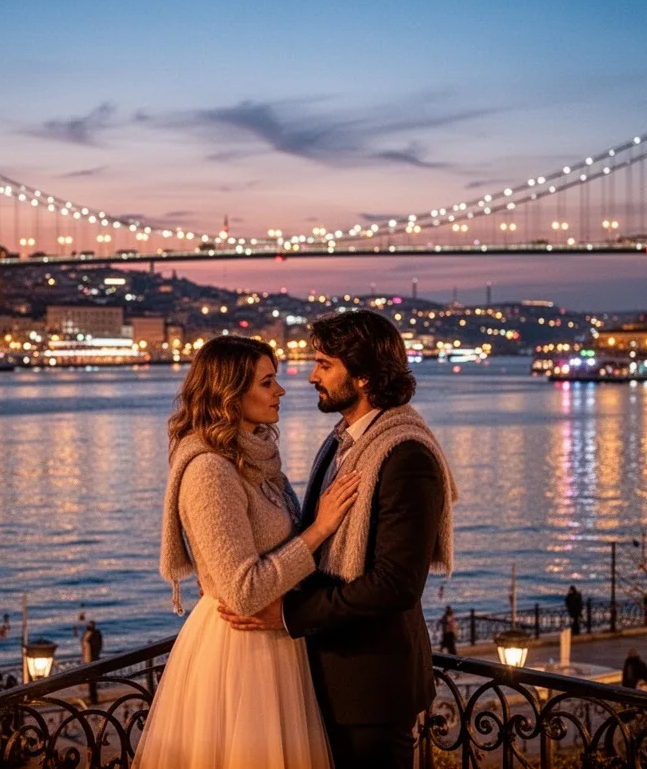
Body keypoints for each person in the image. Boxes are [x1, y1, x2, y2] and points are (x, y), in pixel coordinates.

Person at [217, 310, 458, 768]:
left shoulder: (406, 454)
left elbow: (397, 585)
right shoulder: (341, 441)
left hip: (369, 687)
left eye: (325, 364)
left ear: (364, 376)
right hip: (322, 676)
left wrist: (286, 614)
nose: (311, 376)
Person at [133, 336, 362, 769]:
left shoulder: (255, 459)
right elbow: (243, 590)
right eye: (267, 382)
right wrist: (320, 529)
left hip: (274, 641)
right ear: (230, 394)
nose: (282, 391)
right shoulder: (209, 470)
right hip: (239, 653)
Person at [82, 620, 103, 703]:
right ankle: (92, 697)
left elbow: (97, 646)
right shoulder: (87, 633)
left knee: (93, 681)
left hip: (93, 660)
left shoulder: (95, 634)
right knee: (90, 681)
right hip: (88, 659)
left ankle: (94, 698)